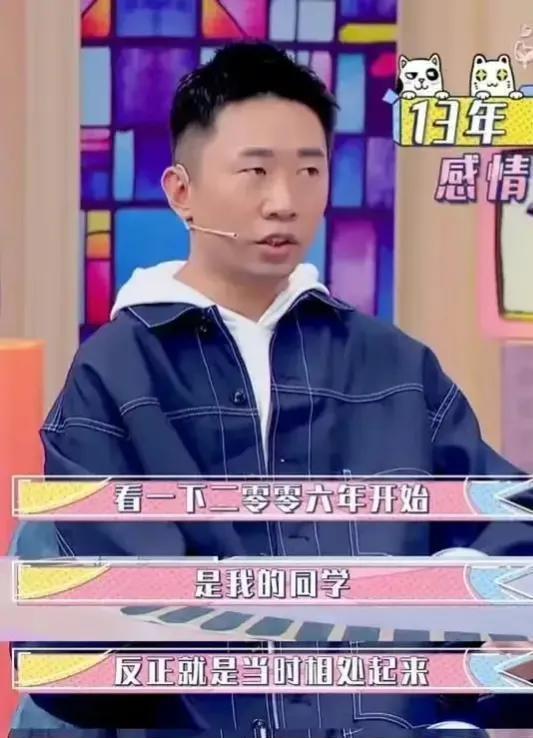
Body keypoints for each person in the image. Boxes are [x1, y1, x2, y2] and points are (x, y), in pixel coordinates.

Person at [11, 41, 532, 736]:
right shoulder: (114, 373)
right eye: (255, 171)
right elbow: (116, 628)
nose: (284, 202)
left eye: (309, 171)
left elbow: (508, 530)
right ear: (181, 192)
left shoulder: (396, 366)